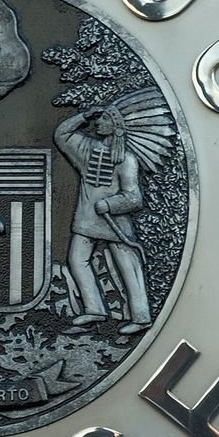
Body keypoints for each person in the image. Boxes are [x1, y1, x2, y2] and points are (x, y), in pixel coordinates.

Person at [54, 101, 151, 333]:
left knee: (129, 267)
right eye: (100, 118)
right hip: (86, 220)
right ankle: (94, 309)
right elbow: (61, 134)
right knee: (77, 261)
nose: (99, 122)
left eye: (105, 119)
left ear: (117, 127)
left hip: (114, 223)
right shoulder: (86, 149)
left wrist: (109, 203)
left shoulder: (126, 160)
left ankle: (141, 317)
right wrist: (84, 116)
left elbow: (134, 197)